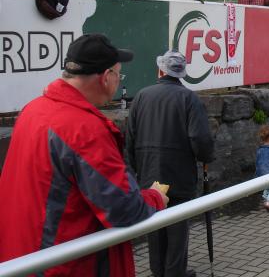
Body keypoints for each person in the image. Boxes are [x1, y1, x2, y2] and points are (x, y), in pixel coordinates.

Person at [0, 34, 168, 276]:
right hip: (64, 263)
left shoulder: (33, 110)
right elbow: (123, 208)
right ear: (106, 77)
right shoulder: (84, 129)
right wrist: (155, 198)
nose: (118, 81)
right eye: (119, 75)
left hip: (23, 256)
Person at [126, 50, 214, 277]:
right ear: (181, 74)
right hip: (179, 173)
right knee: (177, 226)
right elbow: (200, 138)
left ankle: (158, 271)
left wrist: (135, 168)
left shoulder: (141, 97)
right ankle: (175, 272)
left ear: (160, 70)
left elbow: (131, 138)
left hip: (149, 171)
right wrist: (206, 157)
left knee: (154, 225)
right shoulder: (189, 98)